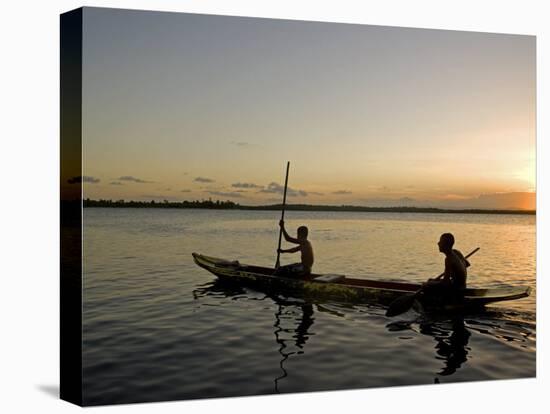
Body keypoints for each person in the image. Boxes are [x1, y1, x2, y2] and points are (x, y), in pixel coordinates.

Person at [422, 233, 470, 301]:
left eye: (440, 242)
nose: (438, 243)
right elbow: (467, 264)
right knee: (430, 281)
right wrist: (453, 271)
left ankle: (437, 303)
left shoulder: (449, 259)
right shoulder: (457, 252)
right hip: (463, 287)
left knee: (426, 286)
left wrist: (429, 284)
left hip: (456, 291)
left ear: (446, 245)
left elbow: (445, 283)